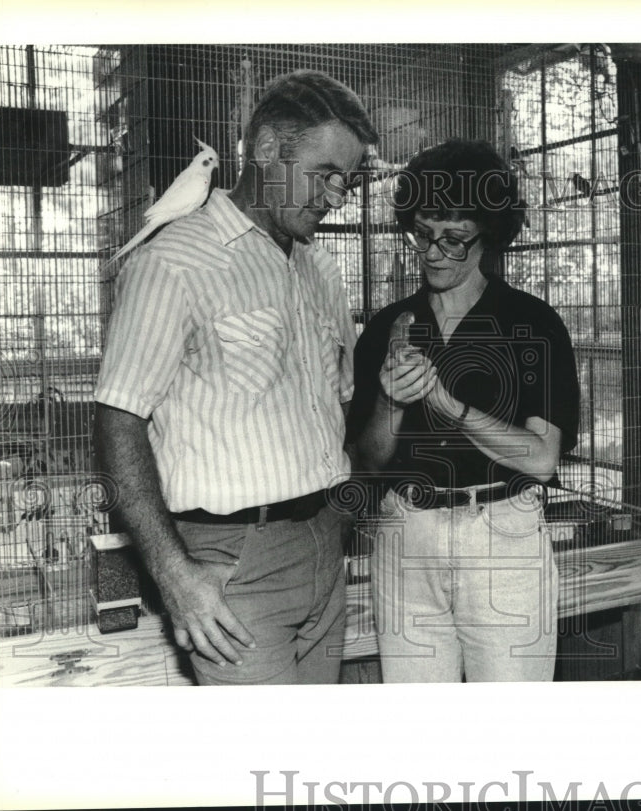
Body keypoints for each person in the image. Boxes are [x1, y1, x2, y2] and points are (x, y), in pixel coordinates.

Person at [94, 70, 378, 685]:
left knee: (309, 765)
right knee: (258, 766)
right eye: (327, 174)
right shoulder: (174, 260)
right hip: (232, 564)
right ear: (270, 148)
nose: (336, 196)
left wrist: (338, 517)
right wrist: (174, 574)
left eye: (347, 182)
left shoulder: (321, 270)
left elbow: (340, 407)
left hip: (326, 545)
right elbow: (118, 421)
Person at [347, 139, 580, 682]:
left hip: (502, 534)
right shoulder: (388, 327)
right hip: (406, 532)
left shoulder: (532, 324)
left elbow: (541, 459)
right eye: (424, 234)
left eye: (454, 239)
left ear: (489, 237)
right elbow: (367, 460)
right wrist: (389, 400)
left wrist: (448, 406)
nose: (432, 253)